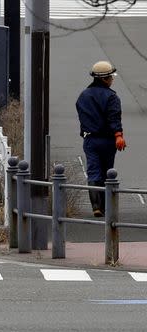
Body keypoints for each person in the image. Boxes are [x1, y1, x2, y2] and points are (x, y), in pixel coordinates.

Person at [76, 60, 126, 217]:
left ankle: (95, 206)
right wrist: (118, 135)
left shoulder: (83, 96)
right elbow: (114, 118)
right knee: (106, 172)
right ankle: (104, 207)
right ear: (104, 79)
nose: (112, 79)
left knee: (93, 171)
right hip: (107, 140)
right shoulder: (111, 97)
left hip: (89, 140)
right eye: (111, 77)